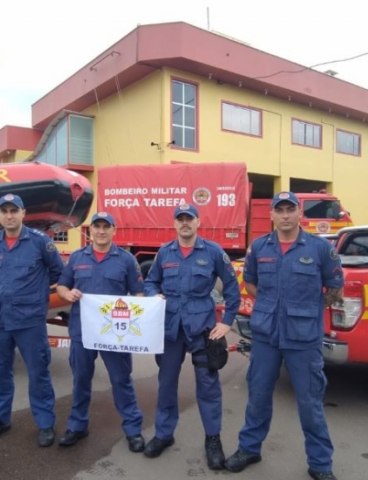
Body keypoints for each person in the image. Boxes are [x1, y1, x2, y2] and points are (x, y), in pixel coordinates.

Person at [224, 192, 343, 480]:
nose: (286, 215)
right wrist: (268, 304)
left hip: (303, 338)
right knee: (258, 396)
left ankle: (320, 464)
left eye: (291, 210)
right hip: (266, 336)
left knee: (310, 402)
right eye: (281, 210)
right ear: (273, 215)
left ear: (299, 214)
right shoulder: (259, 247)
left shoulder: (319, 249)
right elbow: (250, 282)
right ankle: (250, 448)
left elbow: (335, 287)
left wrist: (312, 308)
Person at [143, 203, 240, 470]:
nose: (185, 223)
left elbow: (232, 289)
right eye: (180, 219)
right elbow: (150, 281)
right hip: (171, 329)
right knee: (166, 383)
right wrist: (153, 294)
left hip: (202, 329)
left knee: (208, 387)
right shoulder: (165, 253)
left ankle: (212, 440)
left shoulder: (213, 252)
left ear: (198, 222)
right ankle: (163, 434)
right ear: (174, 223)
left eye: (190, 219)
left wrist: (227, 323)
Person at [0, 193, 64, 447]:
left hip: (30, 321)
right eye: (5, 211)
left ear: (24, 214)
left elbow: (58, 271)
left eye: (14, 210)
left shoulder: (39, 242)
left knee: (38, 373)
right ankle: (0, 420)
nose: (9, 215)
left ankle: (45, 424)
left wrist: (35, 295)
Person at [55, 212, 146, 452]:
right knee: (81, 380)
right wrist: (67, 294)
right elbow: (62, 285)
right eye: (97, 226)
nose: (101, 231)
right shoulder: (76, 258)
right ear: (90, 230)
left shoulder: (126, 260)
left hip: (114, 333)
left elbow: (138, 293)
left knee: (121, 380)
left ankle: (133, 429)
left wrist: (146, 305)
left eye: (107, 226)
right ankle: (77, 426)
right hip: (82, 331)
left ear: (114, 230)